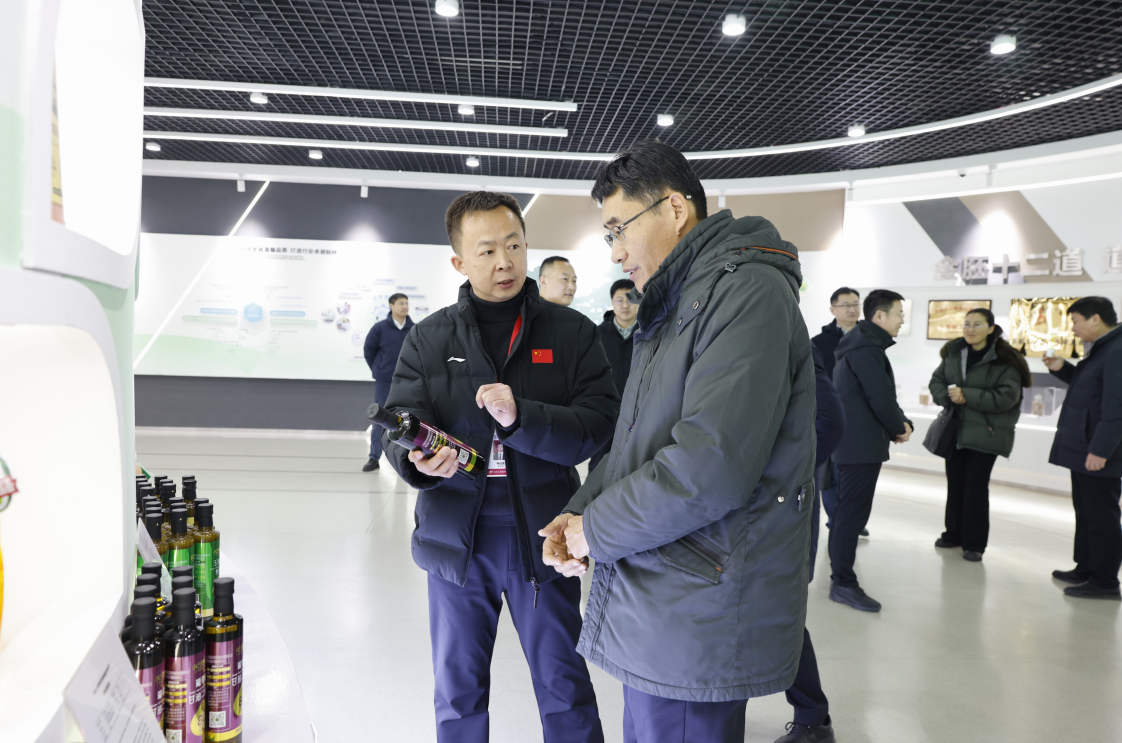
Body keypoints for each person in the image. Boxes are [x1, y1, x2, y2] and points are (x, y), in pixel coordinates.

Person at [539, 139, 817, 743]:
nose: (615, 252)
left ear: (673, 208)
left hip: (699, 599)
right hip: (661, 588)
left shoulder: (745, 292)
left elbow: (709, 467)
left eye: (620, 229)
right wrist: (579, 512)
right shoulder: (676, 302)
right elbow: (637, 438)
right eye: (607, 236)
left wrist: (596, 530)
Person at [380, 190, 619, 742]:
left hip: (544, 531)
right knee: (458, 691)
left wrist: (521, 418)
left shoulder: (571, 333)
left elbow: (599, 425)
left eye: (514, 245)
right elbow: (400, 422)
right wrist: (416, 461)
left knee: (564, 684)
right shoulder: (429, 338)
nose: (504, 262)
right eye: (486, 251)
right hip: (456, 538)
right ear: (459, 262)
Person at [775, 344, 844, 743]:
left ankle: (813, 717)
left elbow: (829, 421)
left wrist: (776, 472)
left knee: (782, 612)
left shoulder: (788, 337)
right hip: (722, 506)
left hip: (777, 503)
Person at [829, 289, 913, 612]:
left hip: (854, 443)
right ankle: (843, 583)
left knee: (846, 513)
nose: (901, 320)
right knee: (851, 515)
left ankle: (841, 577)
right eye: (899, 314)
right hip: (860, 446)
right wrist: (899, 427)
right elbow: (880, 398)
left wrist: (898, 423)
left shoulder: (860, 344)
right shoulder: (866, 349)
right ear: (880, 316)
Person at [929, 309, 1032, 562]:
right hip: (956, 430)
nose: (970, 329)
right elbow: (937, 381)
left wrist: (967, 395)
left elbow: (1006, 397)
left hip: (988, 432)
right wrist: (947, 397)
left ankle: (974, 544)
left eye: (977, 324)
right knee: (955, 485)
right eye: (966, 324)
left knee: (975, 488)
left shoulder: (1005, 359)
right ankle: (953, 534)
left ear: (991, 328)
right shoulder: (954, 353)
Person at [1043, 296, 1122, 600]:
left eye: (1075, 321)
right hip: (1085, 446)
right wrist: (1062, 368)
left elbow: (1116, 408)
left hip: (1099, 450)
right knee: (1087, 513)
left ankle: (1104, 581)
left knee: (1102, 517)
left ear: (1095, 318)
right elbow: (1089, 387)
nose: (1073, 328)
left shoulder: (1116, 350)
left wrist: (1101, 450)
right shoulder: (1102, 347)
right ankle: (1086, 567)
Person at [812, 287, 863, 534]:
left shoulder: (868, 339)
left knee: (856, 475)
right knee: (831, 476)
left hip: (860, 419)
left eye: (856, 304)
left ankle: (852, 522)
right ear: (833, 310)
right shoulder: (819, 343)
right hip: (832, 417)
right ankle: (836, 521)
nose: (852, 309)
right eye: (846, 305)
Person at [589, 278, 637, 471]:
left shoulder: (649, 333)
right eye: (619, 300)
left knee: (636, 464)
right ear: (612, 302)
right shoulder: (596, 335)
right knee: (599, 465)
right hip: (604, 411)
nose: (625, 305)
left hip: (638, 412)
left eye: (631, 299)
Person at [361, 293, 413, 471]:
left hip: (408, 382)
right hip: (384, 383)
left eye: (406, 303)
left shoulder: (414, 329)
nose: (405, 306)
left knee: (409, 420)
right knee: (379, 419)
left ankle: (406, 460)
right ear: (391, 306)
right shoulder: (380, 328)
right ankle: (374, 458)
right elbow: (368, 351)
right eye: (401, 303)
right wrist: (380, 370)